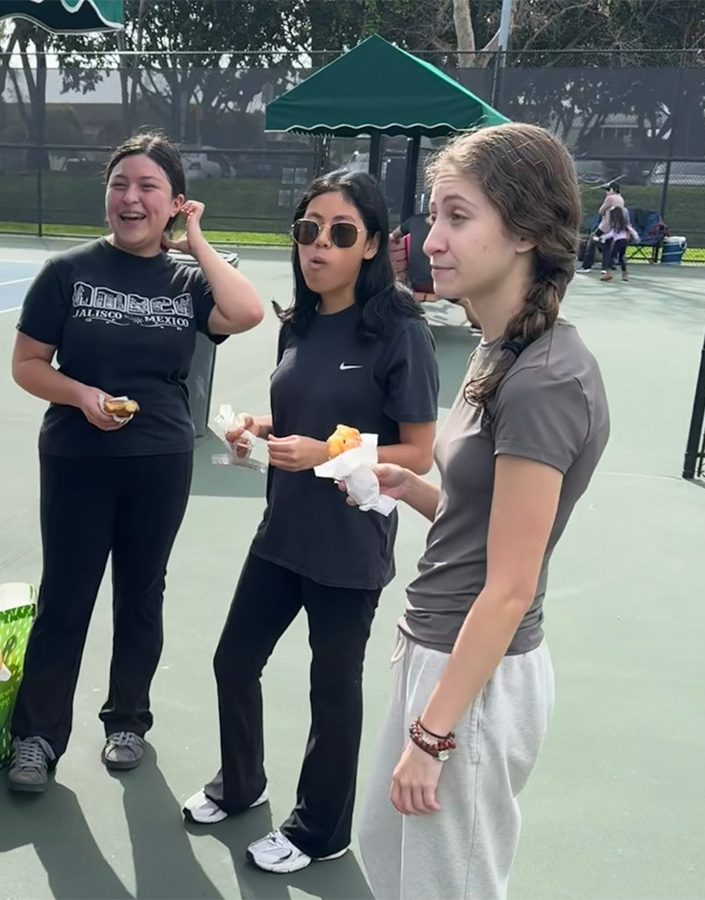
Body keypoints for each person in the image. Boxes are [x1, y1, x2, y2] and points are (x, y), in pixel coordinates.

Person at [356, 122, 610, 899]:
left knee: (448, 885)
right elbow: (483, 517)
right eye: (434, 216)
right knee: (387, 856)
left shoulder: (544, 380)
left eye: (457, 217)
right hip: (436, 650)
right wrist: (414, 490)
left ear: (527, 230)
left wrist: (433, 736)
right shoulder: (499, 350)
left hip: (477, 676)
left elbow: (509, 587)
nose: (429, 239)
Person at [179, 171, 439, 873]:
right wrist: (260, 432)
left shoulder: (400, 330)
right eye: (308, 230)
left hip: (349, 544)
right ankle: (241, 785)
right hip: (283, 531)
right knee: (234, 660)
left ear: (373, 245)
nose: (319, 244)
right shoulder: (298, 321)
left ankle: (321, 831)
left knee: (332, 689)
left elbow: (418, 450)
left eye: (341, 233)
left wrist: (326, 451)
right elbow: (302, 417)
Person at [7, 132, 264, 792]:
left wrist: (196, 241)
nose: (130, 197)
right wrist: (81, 394)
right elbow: (28, 366)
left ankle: (128, 721)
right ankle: (37, 738)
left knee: (141, 594)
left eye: (148, 187)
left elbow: (248, 310)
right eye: (120, 184)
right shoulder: (66, 274)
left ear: (173, 202)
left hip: (160, 458)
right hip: (75, 456)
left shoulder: (188, 282)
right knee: (65, 597)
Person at [599, 204, 637, 282]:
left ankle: (608, 273)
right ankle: (624, 274)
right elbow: (631, 230)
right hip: (625, 241)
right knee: (621, 258)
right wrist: (636, 237)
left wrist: (603, 237)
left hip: (618, 241)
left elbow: (612, 234)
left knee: (611, 257)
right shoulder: (624, 223)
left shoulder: (615, 224)